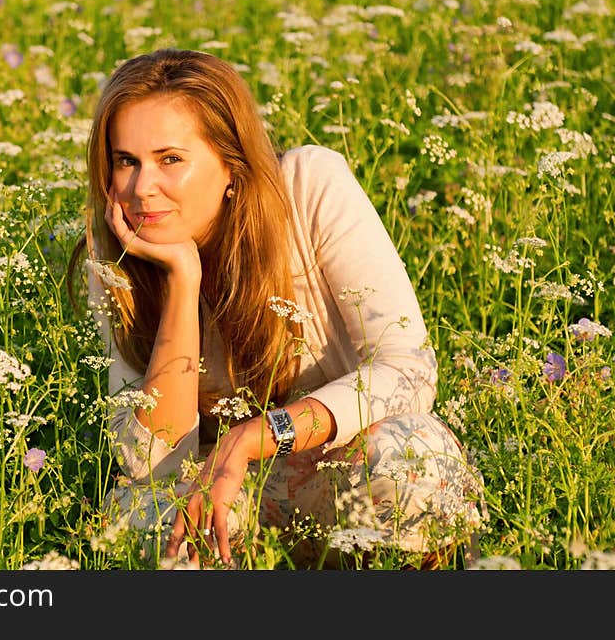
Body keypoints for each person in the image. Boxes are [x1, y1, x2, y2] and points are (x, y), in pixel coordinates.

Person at [67, 48, 486, 569]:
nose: (140, 188)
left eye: (170, 159)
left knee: (412, 453)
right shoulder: (119, 261)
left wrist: (253, 436)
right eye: (126, 161)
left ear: (231, 165)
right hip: (233, 509)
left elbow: (409, 369)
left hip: (340, 480)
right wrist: (181, 279)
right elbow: (148, 461)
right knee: (152, 513)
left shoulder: (310, 186)